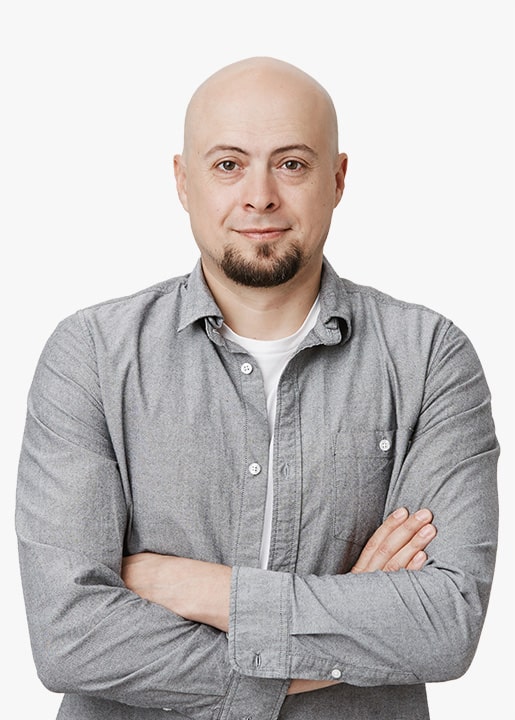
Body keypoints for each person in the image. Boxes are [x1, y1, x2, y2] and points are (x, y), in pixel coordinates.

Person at [16, 57, 499, 720]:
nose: (260, 196)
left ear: (337, 179)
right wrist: (344, 633)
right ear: (183, 181)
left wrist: (194, 586)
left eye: (292, 164)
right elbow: (70, 640)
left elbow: (442, 628)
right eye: (228, 165)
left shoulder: (429, 358)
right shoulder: (91, 355)